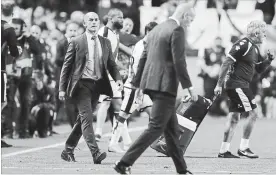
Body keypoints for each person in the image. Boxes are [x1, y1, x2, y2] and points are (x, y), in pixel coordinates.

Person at [114, 3, 197, 174]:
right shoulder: (177, 30)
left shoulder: (157, 28)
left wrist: (137, 84)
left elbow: (143, 57)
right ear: (185, 15)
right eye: (191, 19)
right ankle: (123, 163)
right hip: (164, 86)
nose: (191, 23)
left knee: (172, 131)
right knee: (156, 127)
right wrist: (190, 87)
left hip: (151, 84)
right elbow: (179, 61)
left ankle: (182, 169)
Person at [59, 12, 123, 163]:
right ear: (85, 24)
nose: (94, 22)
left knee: (82, 121)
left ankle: (68, 150)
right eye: (90, 20)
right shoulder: (76, 42)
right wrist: (62, 88)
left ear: (99, 22)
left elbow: (111, 64)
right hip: (81, 85)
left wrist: (118, 79)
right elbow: (66, 67)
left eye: (96, 20)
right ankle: (95, 153)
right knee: (87, 119)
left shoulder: (105, 42)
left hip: (97, 85)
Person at [214, 20, 275, 158]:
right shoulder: (243, 44)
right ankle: (244, 147)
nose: (265, 36)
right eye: (263, 33)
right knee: (254, 112)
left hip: (240, 85)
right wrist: (218, 84)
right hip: (237, 85)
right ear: (256, 33)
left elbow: (258, 69)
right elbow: (226, 63)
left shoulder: (254, 48)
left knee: (235, 117)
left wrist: (268, 60)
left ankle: (224, 150)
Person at [109, 21, 158, 153]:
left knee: (154, 115)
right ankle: (113, 143)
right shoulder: (142, 46)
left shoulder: (146, 44)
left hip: (141, 88)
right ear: (149, 32)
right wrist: (140, 88)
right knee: (123, 114)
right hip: (134, 88)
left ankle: (130, 143)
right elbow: (137, 68)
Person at [95, 9, 124, 148]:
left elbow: (113, 57)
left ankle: (115, 137)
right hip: (105, 74)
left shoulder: (114, 34)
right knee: (106, 103)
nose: (122, 20)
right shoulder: (103, 32)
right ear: (111, 18)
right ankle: (98, 132)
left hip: (112, 74)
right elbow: (99, 53)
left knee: (118, 105)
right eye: (120, 17)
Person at [1, 0, 19, 147]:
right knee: (2, 102)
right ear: (12, 14)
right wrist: (17, 51)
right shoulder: (8, 28)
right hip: (0, 70)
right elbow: (14, 51)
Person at [55, 22, 79, 127]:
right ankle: (73, 126)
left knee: (79, 102)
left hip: (78, 77)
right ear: (66, 31)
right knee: (69, 103)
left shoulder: (80, 43)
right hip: (66, 77)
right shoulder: (61, 43)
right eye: (71, 30)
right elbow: (57, 60)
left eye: (75, 30)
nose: (73, 33)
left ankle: (78, 125)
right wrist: (70, 57)